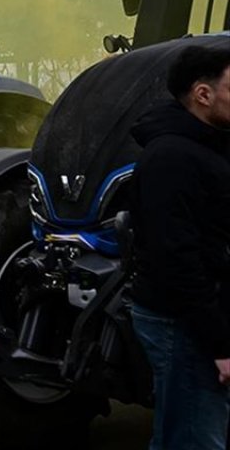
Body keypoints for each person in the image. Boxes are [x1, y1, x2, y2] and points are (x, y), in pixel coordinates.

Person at [128, 44, 230, 450]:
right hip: (182, 326)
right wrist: (218, 344)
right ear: (202, 95)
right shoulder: (170, 158)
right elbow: (177, 262)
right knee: (192, 438)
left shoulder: (210, 145)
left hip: (202, 320)